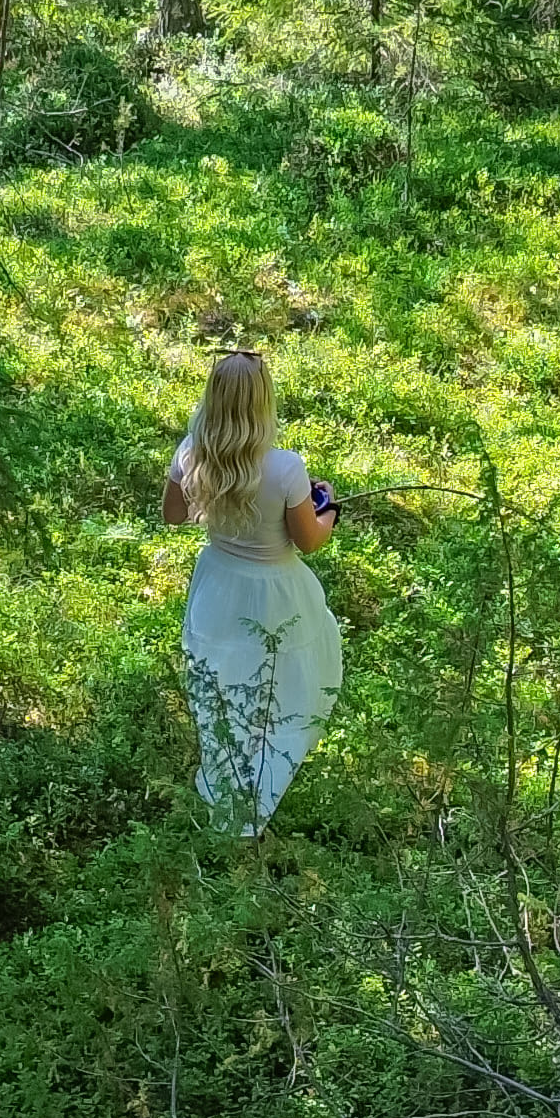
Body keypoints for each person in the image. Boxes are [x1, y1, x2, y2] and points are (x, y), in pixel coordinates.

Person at [162, 350, 343, 834]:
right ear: (264, 403)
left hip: (219, 582)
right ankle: (262, 779)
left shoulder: (190, 452)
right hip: (275, 591)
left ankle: (225, 775)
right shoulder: (285, 468)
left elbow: (174, 516)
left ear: (213, 399)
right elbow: (309, 540)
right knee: (282, 684)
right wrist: (329, 510)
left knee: (224, 681)